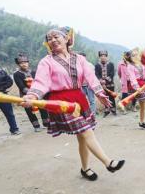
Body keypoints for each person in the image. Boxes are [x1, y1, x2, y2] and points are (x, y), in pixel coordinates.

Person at [22, 27, 125, 181]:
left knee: (82, 137)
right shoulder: (46, 62)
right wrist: (32, 95)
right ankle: (108, 162)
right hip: (61, 102)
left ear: (66, 39)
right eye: (49, 39)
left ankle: (85, 169)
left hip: (79, 98)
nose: (53, 40)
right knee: (86, 131)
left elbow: (91, 78)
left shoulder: (79, 59)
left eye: (56, 36)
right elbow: (41, 82)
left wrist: (100, 94)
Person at [13, 53, 49, 132]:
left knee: (42, 108)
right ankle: (36, 126)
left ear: (28, 63)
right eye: (22, 63)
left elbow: (38, 82)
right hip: (25, 95)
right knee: (30, 111)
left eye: (25, 62)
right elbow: (21, 86)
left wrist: (37, 92)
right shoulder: (17, 74)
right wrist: (31, 94)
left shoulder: (33, 72)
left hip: (37, 93)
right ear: (19, 64)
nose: (24, 64)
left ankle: (46, 124)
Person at [0, 58, 21, 142]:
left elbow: (10, 81)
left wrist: (2, 89)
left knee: (9, 114)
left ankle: (14, 129)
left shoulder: (1, 72)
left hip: (3, 96)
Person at [95, 50, 116, 117]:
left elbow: (112, 74)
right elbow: (97, 74)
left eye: (104, 56)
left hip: (110, 84)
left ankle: (113, 110)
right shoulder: (97, 65)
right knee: (104, 97)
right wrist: (101, 81)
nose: (103, 57)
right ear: (99, 57)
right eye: (101, 56)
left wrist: (105, 81)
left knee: (111, 97)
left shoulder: (111, 64)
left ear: (107, 57)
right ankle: (106, 110)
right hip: (102, 86)